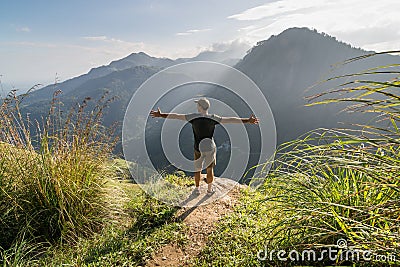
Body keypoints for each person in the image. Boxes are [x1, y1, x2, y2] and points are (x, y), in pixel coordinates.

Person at [150, 97, 259, 195]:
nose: (196, 106)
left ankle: (197, 189)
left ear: (200, 107)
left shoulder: (193, 117)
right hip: (210, 148)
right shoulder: (213, 118)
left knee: (197, 170)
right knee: (209, 169)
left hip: (198, 148)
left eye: (197, 104)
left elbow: (176, 116)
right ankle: (209, 190)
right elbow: (231, 120)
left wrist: (161, 115)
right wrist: (248, 121)